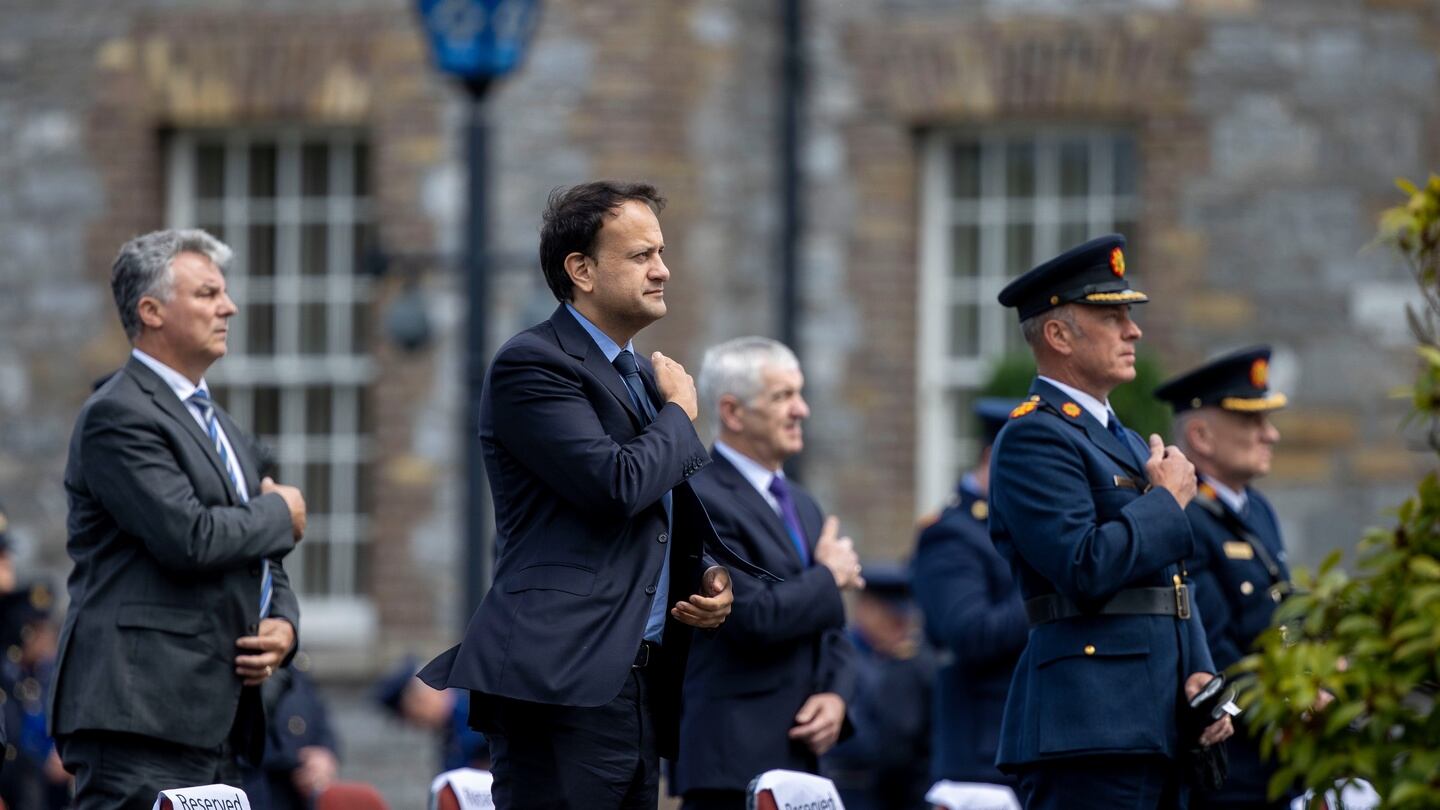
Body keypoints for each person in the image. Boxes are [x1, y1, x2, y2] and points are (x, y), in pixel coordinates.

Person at [418, 182, 771, 810]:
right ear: (580, 270)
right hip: (562, 683)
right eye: (640, 256)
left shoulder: (635, 375)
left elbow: (649, 519)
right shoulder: (533, 364)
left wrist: (704, 574)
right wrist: (681, 416)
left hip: (636, 681)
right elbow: (617, 485)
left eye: (661, 252)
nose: (663, 270)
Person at [49, 229, 307, 810]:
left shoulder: (223, 428)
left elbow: (261, 554)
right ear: (152, 311)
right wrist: (279, 511)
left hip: (215, 715)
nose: (229, 306)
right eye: (208, 293)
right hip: (139, 714)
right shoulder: (118, 415)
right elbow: (188, 537)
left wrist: (284, 625)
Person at [987, 233, 1232, 809]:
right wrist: (1166, 501)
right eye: (1113, 315)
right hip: (1088, 725)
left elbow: (1172, 580)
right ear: (1057, 334)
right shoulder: (1033, 436)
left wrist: (1198, 673)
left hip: (1156, 721)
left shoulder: (1118, 437)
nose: (1134, 330)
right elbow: (1084, 565)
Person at [673, 337, 861, 810]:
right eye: (782, 397)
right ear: (733, 413)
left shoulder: (802, 503)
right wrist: (828, 575)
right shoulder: (700, 497)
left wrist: (837, 696)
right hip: (731, 761)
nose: (802, 410)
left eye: (799, 393)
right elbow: (752, 617)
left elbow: (832, 621)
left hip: (801, 759)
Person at [1154, 346, 1297, 809]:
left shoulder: (1258, 511)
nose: (1270, 435)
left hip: (1279, 757)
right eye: (1252, 423)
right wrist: (1291, 704)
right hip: (1230, 762)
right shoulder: (1187, 519)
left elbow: (1281, 614)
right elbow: (1212, 648)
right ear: (1201, 435)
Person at [910, 399, 1029, 789]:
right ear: (995, 456)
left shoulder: (1020, 528)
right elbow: (969, 632)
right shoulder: (952, 533)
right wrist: (1047, 587)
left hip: (1028, 744)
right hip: (983, 756)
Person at [822, 564, 932, 810]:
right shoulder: (840, 658)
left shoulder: (909, 661)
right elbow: (855, 737)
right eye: (893, 621)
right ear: (865, 609)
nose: (902, 630)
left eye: (905, 622)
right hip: (852, 790)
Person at [239, 652, 340, 810]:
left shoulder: (293, 656)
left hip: (294, 792)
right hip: (250, 782)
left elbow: (316, 710)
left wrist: (324, 754)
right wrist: (294, 756)